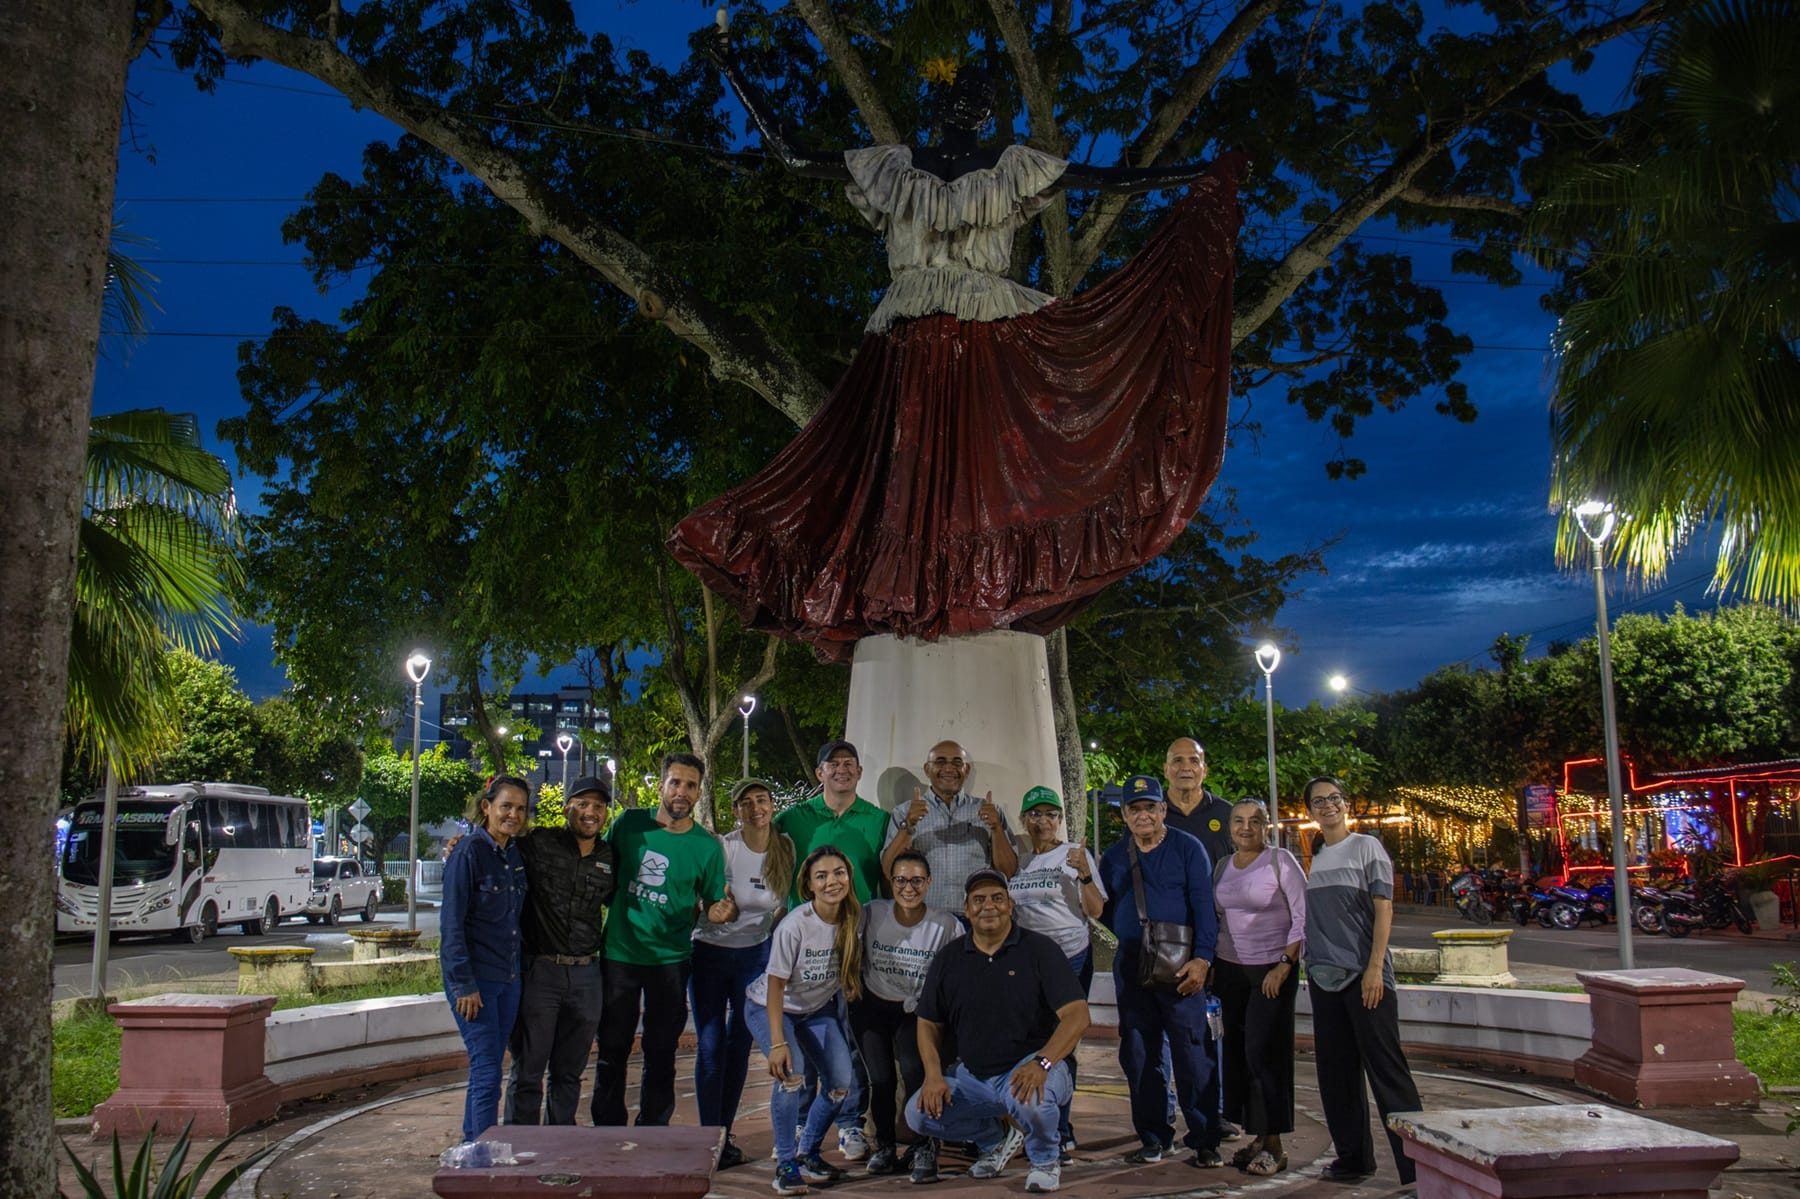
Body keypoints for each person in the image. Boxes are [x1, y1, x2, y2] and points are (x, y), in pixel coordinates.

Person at [669, 35, 1245, 662]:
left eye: (984, 98)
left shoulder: (1011, 166)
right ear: (940, 98)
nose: (974, 105)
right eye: (964, 93)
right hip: (907, 342)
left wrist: (1195, 174)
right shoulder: (894, 167)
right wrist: (734, 69)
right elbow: (794, 157)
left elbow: (1107, 179)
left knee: (981, 477)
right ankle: (909, 591)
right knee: (889, 474)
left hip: (981, 338)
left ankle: (966, 592)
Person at [907, 868, 1089, 1193]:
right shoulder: (950, 957)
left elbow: (1077, 1015)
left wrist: (1042, 1063)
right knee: (919, 1115)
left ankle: (1045, 1162)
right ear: (966, 909)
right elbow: (928, 1022)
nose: (988, 906)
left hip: (1033, 1065)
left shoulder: (1040, 950)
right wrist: (933, 1075)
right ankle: (995, 1138)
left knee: (1032, 1098)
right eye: (978, 900)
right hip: (974, 1076)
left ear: (1010, 904)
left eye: (997, 898)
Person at [592, 752, 734, 1127]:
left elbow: (714, 900)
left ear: (699, 792)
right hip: (620, 954)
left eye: (691, 785)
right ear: (661, 786)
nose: (682, 791)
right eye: (676, 782)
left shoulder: (706, 846)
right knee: (612, 1048)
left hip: (671, 960)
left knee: (661, 1051)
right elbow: (597, 861)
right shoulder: (628, 824)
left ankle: (654, 1128)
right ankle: (606, 1126)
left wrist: (718, 910)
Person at [1098, 774, 1223, 1168]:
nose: (1143, 815)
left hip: (1181, 968)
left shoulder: (1188, 848)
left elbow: (1204, 906)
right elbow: (1102, 907)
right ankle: (1154, 1136)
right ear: (1124, 816)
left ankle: (1205, 1139)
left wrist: (1202, 959)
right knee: (1139, 1053)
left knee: (1193, 1054)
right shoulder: (1115, 857)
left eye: (1150, 807)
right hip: (1133, 968)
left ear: (1162, 810)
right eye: (1134, 809)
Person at [1301, 775, 1421, 1185]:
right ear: (1310, 810)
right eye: (1319, 801)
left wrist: (1374, 969)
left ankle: (1417, 1169)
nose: (1328, 805)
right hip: (1324, 979)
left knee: (1387, 1074)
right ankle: (1353, 1157)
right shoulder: (1315, 856)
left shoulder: (1366, 847)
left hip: (1364, 978)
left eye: (1334, 798)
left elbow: (1383, 910)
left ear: (1345, 804)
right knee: (1336, 1074)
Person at [774, 740, 888, 1162]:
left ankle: (850, 1122)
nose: (841, 770)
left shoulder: (879, 820)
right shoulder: (793, 819)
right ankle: (802, 1120)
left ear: (859, 773)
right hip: (803, 947)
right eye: (832, 764)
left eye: (849, 764)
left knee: (849, 1037)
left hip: (854, 942)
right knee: (802, 1037)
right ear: (819, 773)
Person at [745, 846, 866, 1196]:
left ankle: (808, 1151)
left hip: (816, 1009)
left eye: (839, 872)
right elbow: (775, 985)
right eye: (822, 875)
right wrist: (777, 1042)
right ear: (809, 885)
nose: (832, 881)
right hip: (772, 1006)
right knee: (791, 1076)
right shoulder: (795, 925)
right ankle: (785, 1164)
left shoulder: (853, 919)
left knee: (840, 1082)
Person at [689, 778, 794, 1168]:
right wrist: (712, 908)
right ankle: (708, 1136)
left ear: (771, 804)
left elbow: (781, 906)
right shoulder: (725, 847)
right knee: (712, 1046)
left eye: (762, 800)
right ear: (736, 810)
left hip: (754, 958)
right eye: (746, 803)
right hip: (711, 955)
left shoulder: (786, 849)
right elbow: (699, 896)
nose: (755, 809)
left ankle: (724, 1134)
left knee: (738, 1048)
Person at [504, 776, 618, 1127]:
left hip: (587, 975)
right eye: (583, 804)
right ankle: (519, 1147)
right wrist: (461, 844)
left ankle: (560, 1145)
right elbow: (496, 847)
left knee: (569, 1073)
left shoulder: (609, 856)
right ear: (567, 807)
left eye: (599, 806)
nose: (591, 813)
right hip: (542, 972)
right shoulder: (539, 843)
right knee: (528, 1071)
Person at [1007, 786, 1105, 1160]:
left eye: (1050, 815)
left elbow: (1095, 910)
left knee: (1062, 1047)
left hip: (1069, 958)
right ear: (1024, 820)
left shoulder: (1074, 855)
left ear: (1060, 820)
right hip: (1030, 964)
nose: (1043, 821)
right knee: (1033, 1045)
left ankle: (1061, 1129)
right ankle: (1036, 1125)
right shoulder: (1019, 861)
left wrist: (1083, 876)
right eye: (1035, 814)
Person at [850, 849, 960, 1174]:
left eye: (916, 880)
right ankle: (884, 1146)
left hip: (917, 1011)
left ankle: (922, 1144)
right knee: (881, 1079)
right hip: (873, 1005)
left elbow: (959, 972)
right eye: (900, 880)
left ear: (928, 883)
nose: (908, 888)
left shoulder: (945, 924)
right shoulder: (872, 913)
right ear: (890, 882)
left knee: (915, 1070)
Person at [1211, 800, 1306, 1177]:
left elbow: (1302, 915)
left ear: (1268, 826)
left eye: (1255, 821)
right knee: (1238, 1055)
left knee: (1265, 1053)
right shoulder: (1223, 866)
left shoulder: (1281, 862)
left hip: (1271, 970)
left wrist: (1285, 964)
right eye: (1239, 821)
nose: (1246, 828)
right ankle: (1258, 1136)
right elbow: (1218, 917)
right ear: (1229, 826)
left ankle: (1276, 1144)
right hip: (1231, 971)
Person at [439, 776, 529, 1144]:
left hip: (508, 977)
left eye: (521, 808)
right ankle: (480, 1156)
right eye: (506, 806)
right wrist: (463, 983)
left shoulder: (514, 854)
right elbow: (452, 925)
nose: (513, 814)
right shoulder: (467, 854)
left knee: (490, 1068)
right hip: (476, 982)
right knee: (488, 1068)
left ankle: (471, 1146)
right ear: (486, 807)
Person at [1161, 737, 1238, 1138]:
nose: (1186, 767)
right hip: (1163, 945)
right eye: (1178, 760)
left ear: (1204, 768)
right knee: (1161, 1035)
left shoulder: (1226, 815)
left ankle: (1216, 1110)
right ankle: (1164, 1114)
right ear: (1166, 768)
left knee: (1212, 1030)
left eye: (1194, 760)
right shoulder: (1154, 814)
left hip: (1216, 944)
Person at [881, 739, 1019, 912]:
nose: (948, 768)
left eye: (957, 762)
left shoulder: (988, 810)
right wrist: (908, 825)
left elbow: (1008, 871)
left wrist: (997, 829)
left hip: (976, 920)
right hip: (925, 919)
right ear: (927, 769)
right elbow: (888, 871)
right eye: (940, 761)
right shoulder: (904, 812)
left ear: (966, 770)